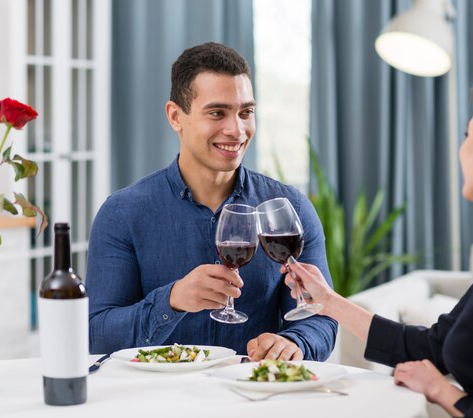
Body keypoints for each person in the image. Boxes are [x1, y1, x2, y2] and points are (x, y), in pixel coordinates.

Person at [283, 72, 473, 417]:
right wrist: (327, 301)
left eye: (467, 136)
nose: (461, 150)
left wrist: (441, 390)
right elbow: (435, 346)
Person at [86, 42, 337, 361]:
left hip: (255, 400)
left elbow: (320, 318)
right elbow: (96, 334)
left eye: (245, 112)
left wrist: (294, 343)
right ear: (176, 116)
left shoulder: (291, 209)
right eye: (217, 112)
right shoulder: (122, 213)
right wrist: (172, 301)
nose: (237, 130)